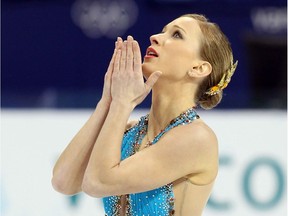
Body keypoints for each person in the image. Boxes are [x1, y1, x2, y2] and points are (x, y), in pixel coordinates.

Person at [52, 13, 238, 216]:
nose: (155, 37)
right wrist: (108, 102)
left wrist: (122, 104)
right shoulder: (130, 131)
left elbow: (97, 182)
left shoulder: (196, 138)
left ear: (198, 68)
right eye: (163, 30)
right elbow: (63, 182)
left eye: (176, 35)